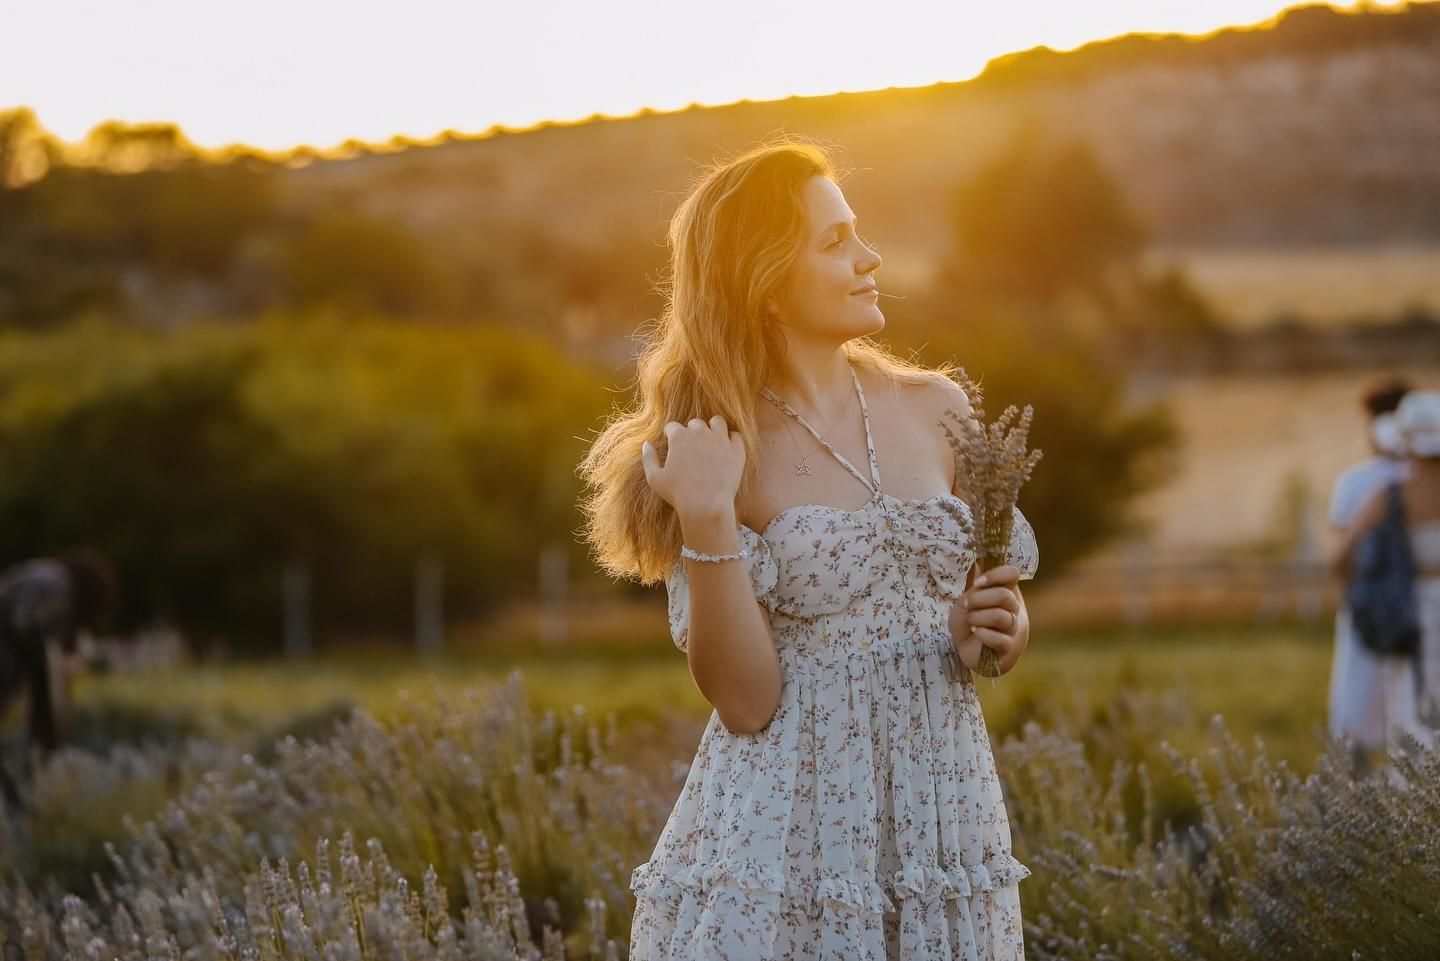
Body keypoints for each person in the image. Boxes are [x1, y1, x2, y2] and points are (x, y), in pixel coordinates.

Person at [579, 139, 1039, 960]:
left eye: (857, 233)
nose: (870, 259)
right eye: (835, 242)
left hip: (944, 808)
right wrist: (708, 518)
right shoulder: (720, 447)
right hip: (791, 828)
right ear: (765, 279)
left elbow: (990, 621)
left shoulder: (936, 408)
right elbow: (746, 701)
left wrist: (993, 630)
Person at [1330, 388, 1440, 767]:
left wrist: (1359, 595)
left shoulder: (1391, 495)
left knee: (1410, 706)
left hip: (1408, 613)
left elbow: (1340, 556)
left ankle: (1417, 804)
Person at [1323, 376, 1412, 774]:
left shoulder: (1356, 483)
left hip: (1365, 616)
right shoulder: (1425, 480)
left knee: (1355, 725)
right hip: (1419, 614)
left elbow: (1339, 557)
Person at [0, 546, 119, 810]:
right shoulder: (58, 587)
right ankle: (16, 802)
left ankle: (16, 800)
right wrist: (47, 664)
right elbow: (24, 623)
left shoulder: (50, 574)